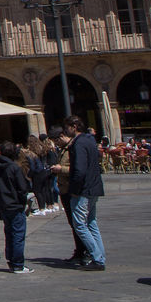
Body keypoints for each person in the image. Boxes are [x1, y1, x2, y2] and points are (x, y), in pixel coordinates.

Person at [60, 116, 106, 271]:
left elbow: (79, 170)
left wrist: (74, 190)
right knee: (91, 223)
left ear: (74, 126)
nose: (65, 131)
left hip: (83, 190)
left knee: (79, 224)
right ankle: (100, 256)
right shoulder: (90, 140)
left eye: (67, 127)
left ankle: (97, 258)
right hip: (94, 186)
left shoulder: (78, 143)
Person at [0, 140, 32, 274]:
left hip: (3, 205)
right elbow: (22, 188)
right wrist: (22, 201)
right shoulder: (14, 167)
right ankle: (18, 264)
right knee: (18, 234)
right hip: (15, 205)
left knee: (9, 233)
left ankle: (11, 261)